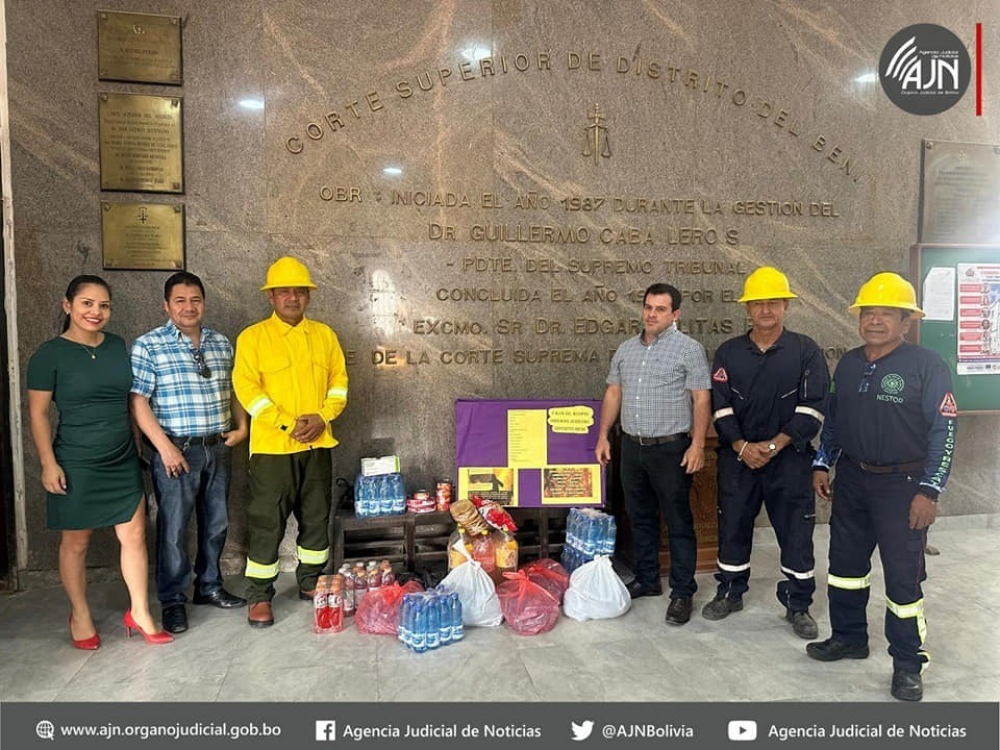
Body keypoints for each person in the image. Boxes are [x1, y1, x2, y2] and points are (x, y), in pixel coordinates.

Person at [808, 272, 957, 702]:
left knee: (903, 580)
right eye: (867, 313)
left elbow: (943, 432)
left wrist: (929, 491)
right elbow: (834, 420)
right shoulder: (851, 362)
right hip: (852, 479)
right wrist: (823, 462)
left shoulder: (927, 365)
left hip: (904, 485)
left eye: (886, 314)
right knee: (845, 568)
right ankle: (849, 637)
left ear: (906, 321)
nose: (874, 320)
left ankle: (908, 664)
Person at [26, 275, 172, 648]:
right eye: (87, 303)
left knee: (135, 535)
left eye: (103, 305)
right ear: (67, 306)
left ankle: (139, 611)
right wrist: (48, 462)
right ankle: (81, 613)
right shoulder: (49, 354)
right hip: (75, 460)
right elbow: (39, 414)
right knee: (76, 543)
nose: (96, 312)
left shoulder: (116, 347)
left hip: (121, 458)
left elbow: (130, 402)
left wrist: (142, 447)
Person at [703, 267, 829, 638]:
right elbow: (720, 407)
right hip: (739, 459)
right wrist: (741, 446)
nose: (765, 310)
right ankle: (729, 591)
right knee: (733, 526)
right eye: (757, 303)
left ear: (786, 306)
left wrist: (774, 445)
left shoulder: (806, 350)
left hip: (789, 459)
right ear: (747, 309)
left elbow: (814, 407)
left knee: (795, 531)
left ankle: (798, 602)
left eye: (772, 302)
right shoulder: (728, 353)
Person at [130, 272, 249, 635]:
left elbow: (234, 389)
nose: (188, 307)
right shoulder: (149, 345)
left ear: (204, 302)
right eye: (180, 300)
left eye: (195, 299)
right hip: (176, 450)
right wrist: (163, 449)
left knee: (216, 522)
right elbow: (138, 402)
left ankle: (209, 585)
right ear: (166, 305)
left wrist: (241, 426)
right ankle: (172, 600)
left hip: (217, 446)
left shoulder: (221, 343)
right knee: (173, 528)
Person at [232, 257, 349, 628]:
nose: (293, 297)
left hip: (318, 444)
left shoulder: (325, 336)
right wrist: (287, 424)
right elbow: (247, 391)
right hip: (272, 449)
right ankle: (259, 596)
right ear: (271, 297)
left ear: (308, 297)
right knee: (267, 523)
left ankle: (311, 581)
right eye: (285, 291)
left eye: (300, 291)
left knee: (316, 518)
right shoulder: (252, 338)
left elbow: (339, 384)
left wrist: (323, 417)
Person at [595, 282, 710, 625]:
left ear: (675, 314)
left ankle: (682, 591)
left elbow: (701, 399)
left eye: (660, 309)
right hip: (631, 446)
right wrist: (603, 435)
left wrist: (698, 444)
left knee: (677, 521)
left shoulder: (689, 349)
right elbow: (614, 393)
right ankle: (647, 579)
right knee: (639, 516)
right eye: (648, 307)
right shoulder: (627, 349)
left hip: (671, 449)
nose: (651, 314)